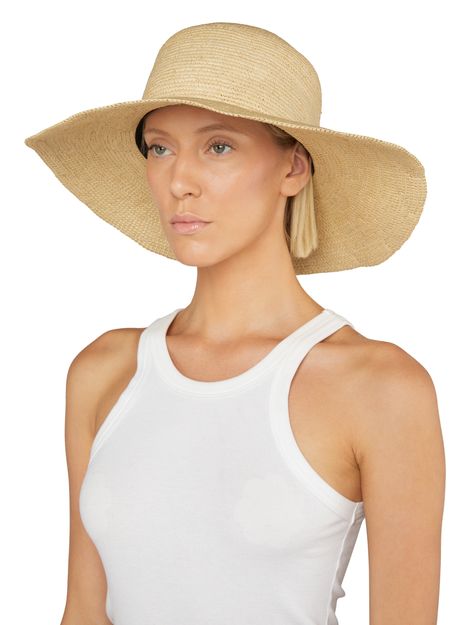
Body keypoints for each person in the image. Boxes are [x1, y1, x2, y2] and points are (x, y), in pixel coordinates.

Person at [24, 21, 445, 625]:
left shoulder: (379, 386)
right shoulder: (104, 371)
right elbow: (85, 612)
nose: (179, 181)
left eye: (218, 147)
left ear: (293, 168)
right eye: (159, 148)